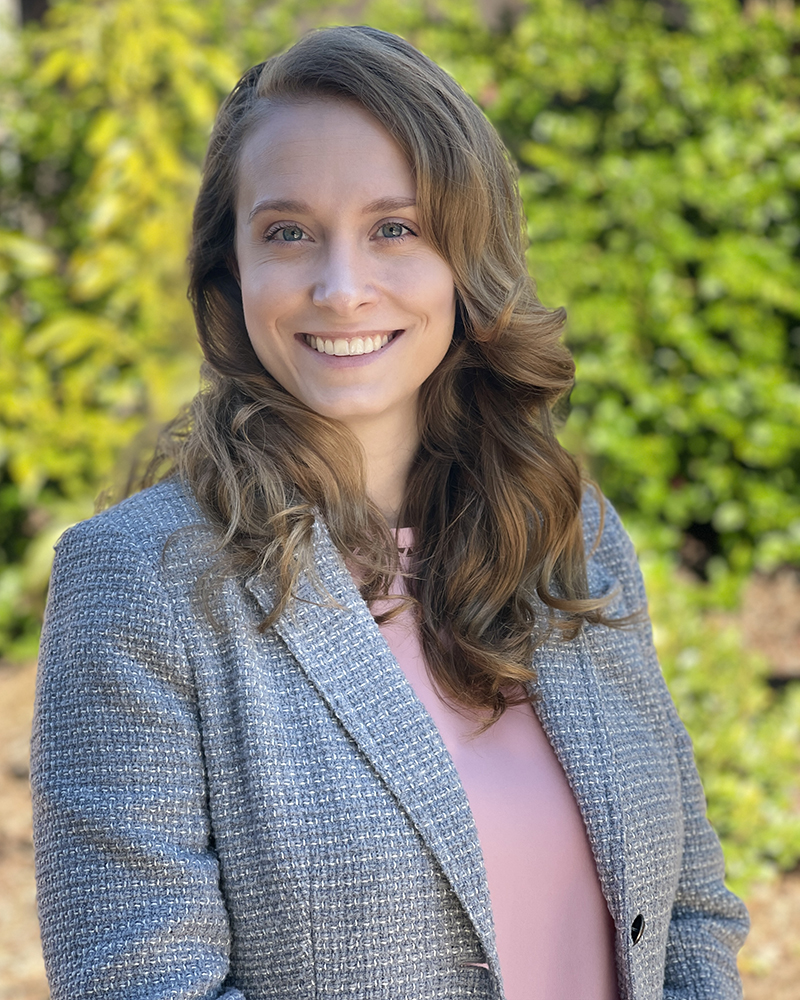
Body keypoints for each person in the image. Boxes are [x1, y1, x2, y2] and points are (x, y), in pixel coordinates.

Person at [31, 24, 748, 1000]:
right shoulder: (138, 584)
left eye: (394, 228)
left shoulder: (568, 531)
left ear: (466, 255)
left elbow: (688, 912)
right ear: (230, 267)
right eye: (287, 232)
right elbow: (141, 984)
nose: (340, 288)